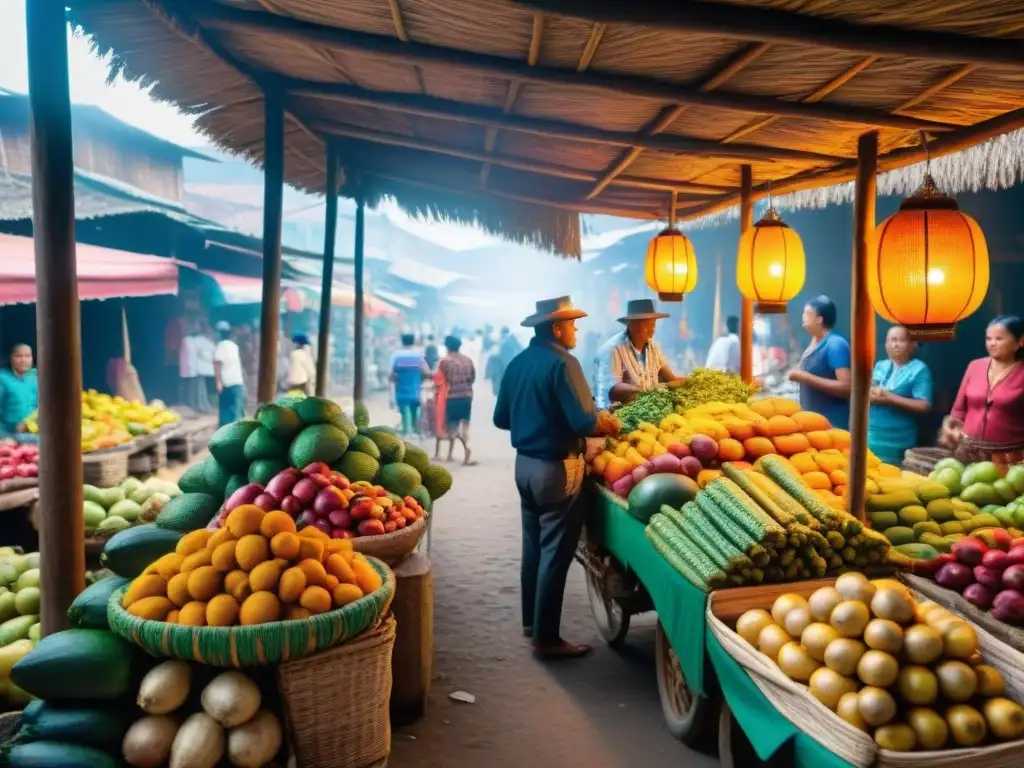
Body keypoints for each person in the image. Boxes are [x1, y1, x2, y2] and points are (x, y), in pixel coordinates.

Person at [494, 297, 619, 661]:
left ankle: (531, 623)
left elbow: (502, 419)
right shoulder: (564, 363)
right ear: (557, 328)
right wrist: (605, 421)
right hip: (556, 468)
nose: (576, 330)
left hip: (524, 467)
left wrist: (536, 417)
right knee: (555, 554)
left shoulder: (517, 363)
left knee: (533, 547)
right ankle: (547, 639)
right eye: (572, 324)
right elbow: (584, 422)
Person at [940, 316, 1024, 466]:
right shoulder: (975, 366)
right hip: (967, 452)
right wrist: (951, 426)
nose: (992, 343)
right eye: (988, 338)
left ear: (1019, 342)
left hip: (1009, 457)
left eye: (999, 339)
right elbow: (958, 409)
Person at [595, 299, 686, 409]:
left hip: (651, 410)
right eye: (646, 324)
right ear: (632, 325)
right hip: (622, 416)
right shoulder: (613, 349)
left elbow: (671, 379)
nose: (652, 329)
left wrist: (692, 381)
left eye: (653, 323)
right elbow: (614, 389)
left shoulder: (654, 348)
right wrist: (647, 392)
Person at [868, 325, 933, 465]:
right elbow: (868, 392)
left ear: (913, 345)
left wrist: (888, 396)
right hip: (872, 435)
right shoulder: (881, 365)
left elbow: (924, 405)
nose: (894, 344)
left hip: (899, 439)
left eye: (900, 340)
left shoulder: (919, 369)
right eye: (891, 340)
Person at [789, 296, 851, 428]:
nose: (803, 316)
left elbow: (846, 387)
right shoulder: (814, 342)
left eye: (807, 313)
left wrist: (804, 377)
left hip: (832, 422)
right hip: (813, 421)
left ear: (819, 319)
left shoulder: (835, 344)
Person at [436, 335, 477, 464]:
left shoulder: (444, 361)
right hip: (467, 397)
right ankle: (467, 450)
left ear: (447, 346)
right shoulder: (468, 360)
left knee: (452, 427)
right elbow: (472, 378)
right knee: (465, 426)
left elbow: (441, 380)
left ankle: (450, 454)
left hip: (451, 397)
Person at [390, 333, 430, 436]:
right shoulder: (418, 356)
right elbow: (427, 372)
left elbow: (392, 375)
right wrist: (420, 380)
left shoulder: (396, 356)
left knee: (404, 412)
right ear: (413, 341)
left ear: (402, 342)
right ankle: (415, 431)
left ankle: (408, 432)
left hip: (401, 390)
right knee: (414, 412)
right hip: (415, 389)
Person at [0, 344, 38, 442]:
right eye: (19, 356)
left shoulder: (35, 376)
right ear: (11, 358)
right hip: (9, 435)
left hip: (33, 431)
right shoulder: (3, 378)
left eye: (27, 356)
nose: (23, 360)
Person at [213, 322, 246, 426]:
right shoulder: (234, 346)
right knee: (235, 410)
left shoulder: (221, 346)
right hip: (236, 382)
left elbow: (217, 364)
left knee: (227, 410)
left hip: (228, 382)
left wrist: (218, 381)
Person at [178, 321, 210, 413]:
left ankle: (199, 405)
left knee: (199, 387)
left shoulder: (198, 339)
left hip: (198, 368)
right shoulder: (187, 340)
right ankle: (193, 405)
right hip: (191, 368)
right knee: (193, 388)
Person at [194, 321, 217, 405]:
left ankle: (211, 403)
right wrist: (213, 358)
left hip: (211, 369)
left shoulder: (211, 341)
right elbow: (202, 354)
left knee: (212, 387)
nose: (211, 333)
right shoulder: (199, 340)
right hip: (203, 369)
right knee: (205, 388)